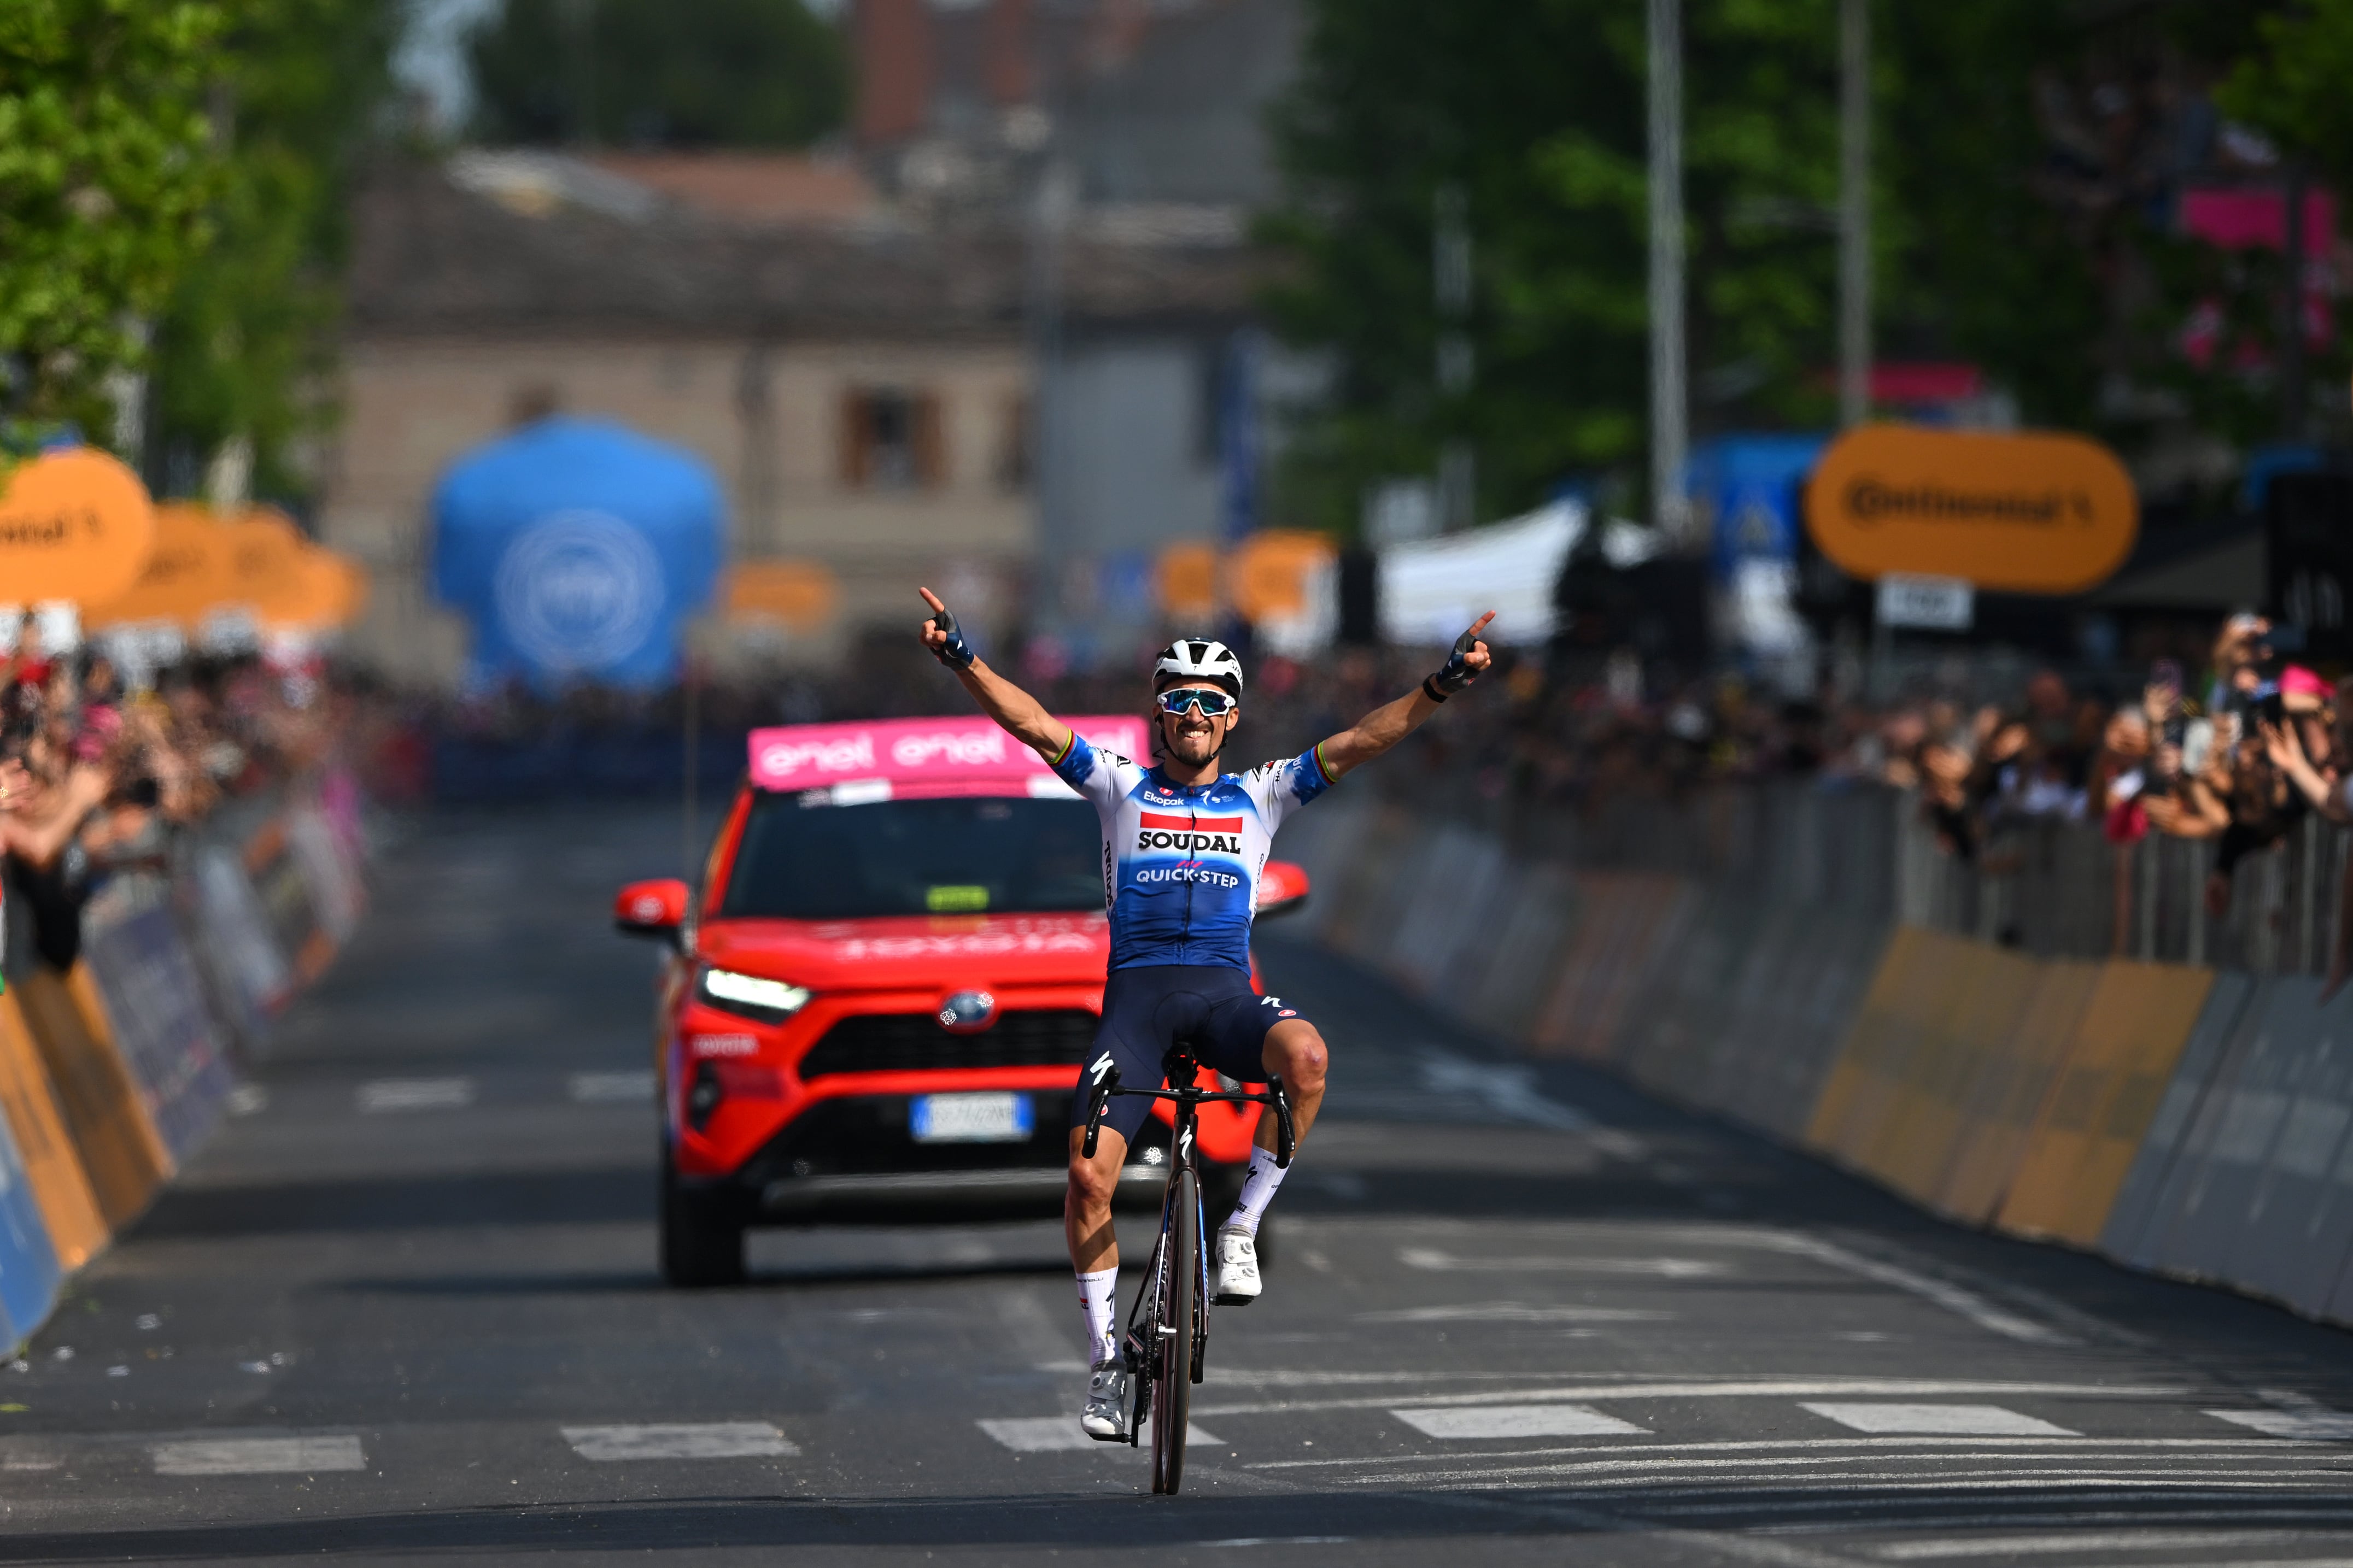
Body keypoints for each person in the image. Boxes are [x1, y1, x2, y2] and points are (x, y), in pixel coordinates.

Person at [915, 586, 1492, 1441]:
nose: (1194, 711)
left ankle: (1242, 1228)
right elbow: (1032, 721)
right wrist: (963, 658)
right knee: (1085, 1179)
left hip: (1225, 995)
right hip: (1138, 1006)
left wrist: (1441, 684)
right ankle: (1109, 1361)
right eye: (1178, 698)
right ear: (1158, 713)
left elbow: (1365, 740)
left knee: (1307, 1057)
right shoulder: (1117, 785)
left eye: (1211, 700)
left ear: (1231, 718)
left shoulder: (1265, 792)